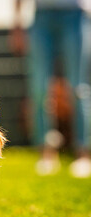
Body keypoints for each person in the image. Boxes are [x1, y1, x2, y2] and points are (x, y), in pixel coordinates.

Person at [11, 0, 91, 178]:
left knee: (78, 89)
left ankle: (84, 154)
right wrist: (17, 23)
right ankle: (46, 153)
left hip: (75, 15)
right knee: (39, 89)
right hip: (42, 17)